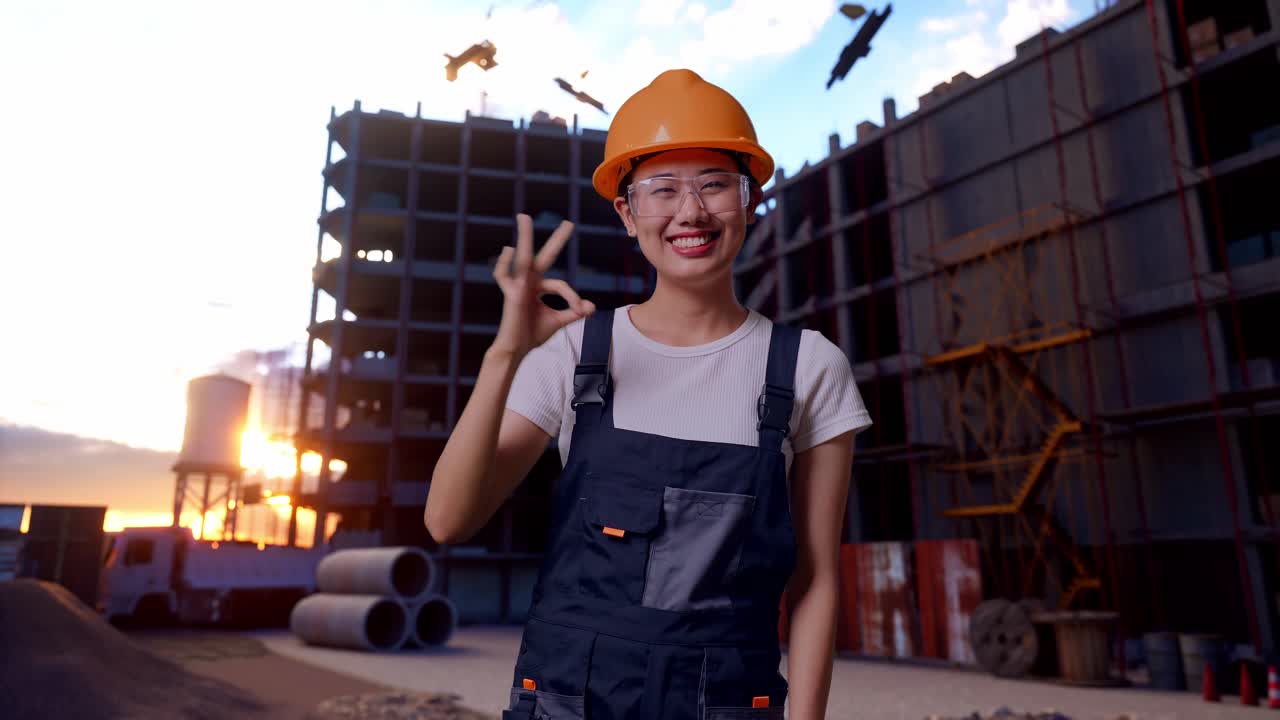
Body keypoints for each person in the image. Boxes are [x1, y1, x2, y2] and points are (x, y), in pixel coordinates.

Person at [425, 68, 872, 720]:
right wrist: (504, 355)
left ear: (750, 202)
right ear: (628, 215)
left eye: (715, 186)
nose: (690, 212)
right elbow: (447, 520)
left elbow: (815, 584)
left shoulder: (808, 368)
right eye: (662, 190)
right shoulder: (578, 355)